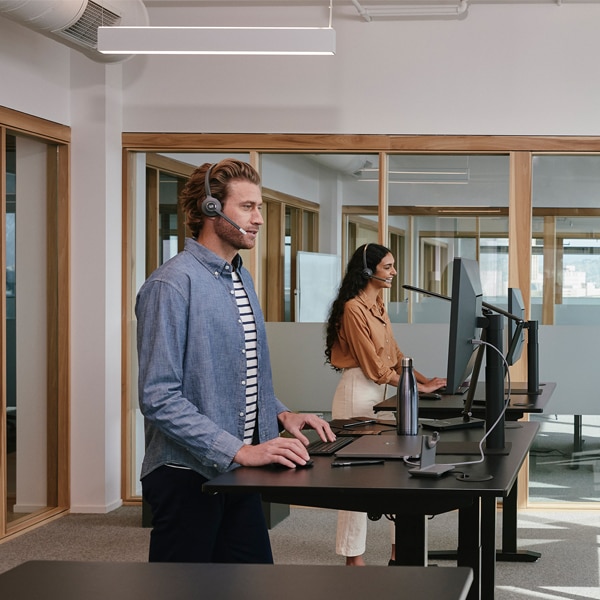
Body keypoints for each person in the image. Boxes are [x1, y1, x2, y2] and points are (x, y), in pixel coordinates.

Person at [136, 158, 335, 564]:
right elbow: (158, 397)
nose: (259, 219)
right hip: (186, 474)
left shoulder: (240, 276)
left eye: (258, 207)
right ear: (211, 209)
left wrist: (282, 414)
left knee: (253, 582)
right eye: (248, 207)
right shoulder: (171, 285)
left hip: (236, 470)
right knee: (182, 593)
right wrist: (239, 451)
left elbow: (242, 375)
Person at [324, 243, 446, 566]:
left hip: (382, 393)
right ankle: (354, 560)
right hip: (358, 394)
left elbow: (395, 355)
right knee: (354, 481)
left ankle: (398, 552)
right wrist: (413, 387)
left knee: (395, 471)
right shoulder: (352, 309)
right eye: (388, 267)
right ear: (368, 270)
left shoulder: (378, 305)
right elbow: (375, 368)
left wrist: (423, 380)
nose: (394, 272)